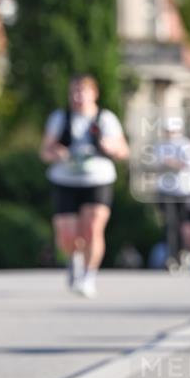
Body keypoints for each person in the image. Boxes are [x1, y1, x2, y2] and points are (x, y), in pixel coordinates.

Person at [40, 74, 129, 297]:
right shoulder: (60, 118)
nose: (78, 96)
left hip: (97, 180)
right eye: (74, 92)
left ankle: (89, 277)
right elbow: (45, 151)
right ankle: (74, 259)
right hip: (65, 180)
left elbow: (124, 151)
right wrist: (56, 153)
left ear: (94, 94)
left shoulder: (105, 119)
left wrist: (112, 148)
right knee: (67, 236)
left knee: (93, 228)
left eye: (83, 91)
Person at [152, 117, 190, 272]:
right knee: (169, 223)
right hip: (165, 190)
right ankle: (171, 256)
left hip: (182, 190)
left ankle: (182, 253)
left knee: (181, 224)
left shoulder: (186, 145)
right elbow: (153, 165)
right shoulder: (160, 145)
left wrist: (175, 164)